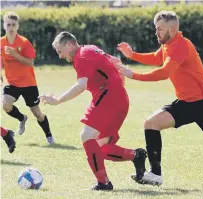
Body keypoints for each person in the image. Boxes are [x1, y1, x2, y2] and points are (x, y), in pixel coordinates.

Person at [116, 10, 203, 186]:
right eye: (156, 28)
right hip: (186, 102)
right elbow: (156, 58)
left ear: (173, 28)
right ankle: (155, 174)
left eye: (160, 29)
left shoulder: (181, 45)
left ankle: (155, 173)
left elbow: (164, 72)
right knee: (151, 123)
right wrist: (133, 55)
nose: (157, 32)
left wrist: (133, 75)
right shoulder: (168, 45)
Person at [39, 31, 147, 191]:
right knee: (98, 148)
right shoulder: (90, 48)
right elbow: (115, 60)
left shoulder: (81, 57)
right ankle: (135, 156)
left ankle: (103, 183)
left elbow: (81, 85)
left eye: (60, 51)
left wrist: (57, 100)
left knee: (86, 136)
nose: (61, 56)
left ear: (69, 44)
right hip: (118, 97)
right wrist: (118, 82)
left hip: (109, 97)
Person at [1, 12, 55, 144]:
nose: (11, 27)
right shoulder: (1, 42)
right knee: (6, 105)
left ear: (18, 26)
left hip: (28, 84)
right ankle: (21, 118)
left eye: (14, 24)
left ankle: (49, 136)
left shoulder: (24, 42)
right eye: (8, 24)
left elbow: (30, 63)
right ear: (4, 26)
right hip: (12, 83)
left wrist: (15, 54)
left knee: (37, 113)